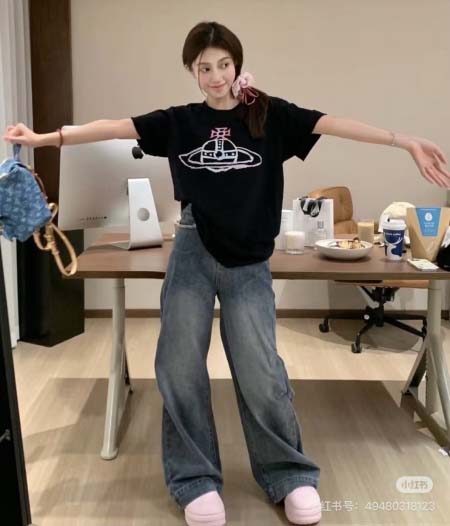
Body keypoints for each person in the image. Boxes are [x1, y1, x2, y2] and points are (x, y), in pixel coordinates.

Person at [3, 20, 449, 526]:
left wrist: (404, 141)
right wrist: (44, 138)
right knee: (179, 366)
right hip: (193, 250)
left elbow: (334, 123)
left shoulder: (269, 115)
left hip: (250, 261)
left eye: (224, 65)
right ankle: (195, 479)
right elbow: (114, 127)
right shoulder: (180, 122)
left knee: (261, 370)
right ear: (192, 72)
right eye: (204, 68)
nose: (216, 77)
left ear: (237, 65)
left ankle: (289, 472)